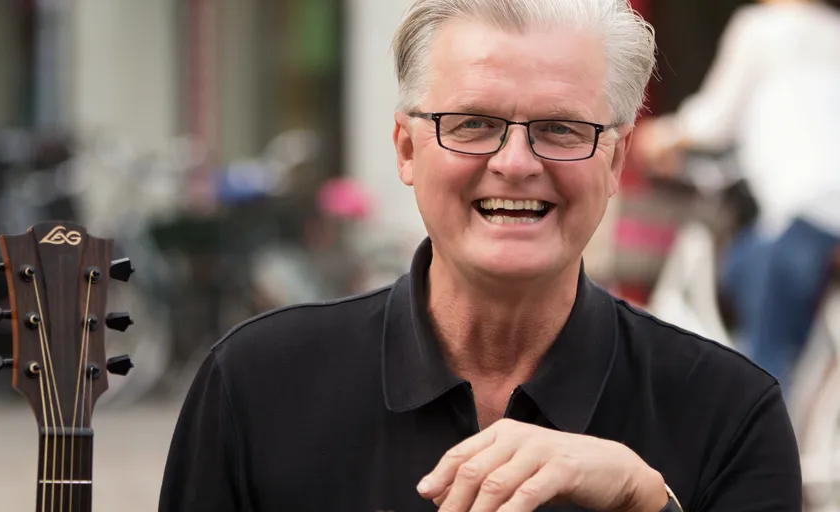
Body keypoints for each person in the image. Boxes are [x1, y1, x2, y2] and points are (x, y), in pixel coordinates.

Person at [159, 0, 802, 510]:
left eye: (561, 128)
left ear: (615, 160)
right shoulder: (255, 385)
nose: (515, 163)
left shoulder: (731, 414)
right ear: (406, 149)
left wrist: (646, 504)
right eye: (472, 124)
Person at [635, 0, 840, 392]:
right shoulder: (834, 32)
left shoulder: (761, 27)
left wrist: (658, 137)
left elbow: (714, 120)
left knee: (765, 363)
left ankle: (765, 418)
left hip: (805, 214)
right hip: (826, 217)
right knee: (745, 261)